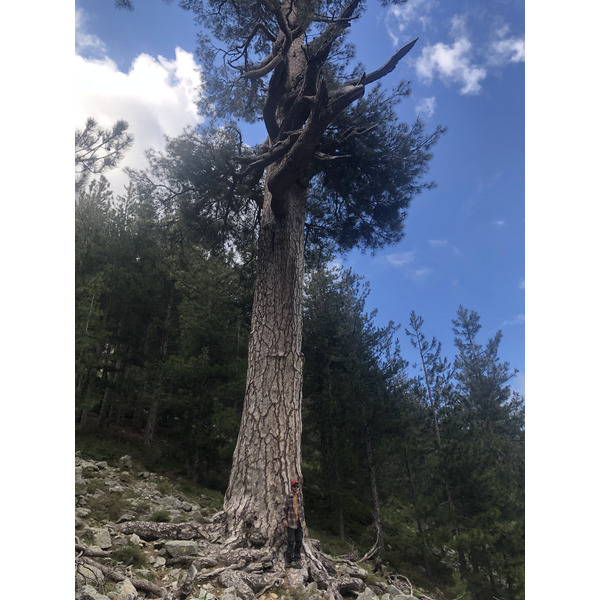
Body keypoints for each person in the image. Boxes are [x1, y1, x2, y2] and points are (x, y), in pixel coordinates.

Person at [282, 479, 304, 568]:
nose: (296, 488)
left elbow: (301, 510)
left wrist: (302, 522)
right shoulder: (288, 497)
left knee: (299, 540)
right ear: (291, 487)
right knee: (291, 541)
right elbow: (284, 509)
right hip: (290, 522)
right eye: (294, 486)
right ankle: (289, 561)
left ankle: (297, 559)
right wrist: (284, 520)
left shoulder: (299, 497)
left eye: (297, 486)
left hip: (298, 522)